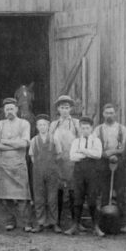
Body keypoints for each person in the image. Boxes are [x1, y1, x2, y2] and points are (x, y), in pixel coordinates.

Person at [0, 97, 33, 232]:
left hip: (19, 164)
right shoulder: (0, 124)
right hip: (3, 164)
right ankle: (11, 221)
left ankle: (26, 223)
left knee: (23, 196)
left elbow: (25, 143)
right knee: (6, 196)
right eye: (7, 109)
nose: (9, 111)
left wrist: (5, 142)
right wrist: (13, 144)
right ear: (4, 111)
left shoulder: (24, 123)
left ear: (17, 109)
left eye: (12, 108)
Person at [93, 104, 126, 227]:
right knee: (104, 192)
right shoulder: (98, 130)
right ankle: (104, 222)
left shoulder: (122, 129)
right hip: (103, 163)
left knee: (121, 193)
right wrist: (106, 155)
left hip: (119, 162)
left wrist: (114, 153)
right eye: (107, 113)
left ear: (115, 114)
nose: (109, 115)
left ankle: (122, 223)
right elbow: (95, 147)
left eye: (112, 112)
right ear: (103, 114)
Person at [66, 116, 104, 237]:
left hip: (92, 173)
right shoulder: (76, 141)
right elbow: (72, 156)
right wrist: (88, 153)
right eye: (83, 128)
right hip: (79, 173)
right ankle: (75, 226)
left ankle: (95, 227)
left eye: (87, 128)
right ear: (80, 129)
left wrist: (83, 151)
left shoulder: (96, 141)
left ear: (91, 128)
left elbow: (98, 154)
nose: (85, 130)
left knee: (92, 199)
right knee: (77, 199)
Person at [49, 95, 80, 233]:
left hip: (72, 161)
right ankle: (56, 222)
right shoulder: (53, 124)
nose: (64, 110)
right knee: (58, 192)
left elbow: (81, 141)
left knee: (74, 192)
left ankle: (76, 222)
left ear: (71, 109)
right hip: (58, 162)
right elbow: (49, 142)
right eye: (62, 107)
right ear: (58, 109)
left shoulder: (76, 123)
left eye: (67, 108)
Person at [29, 114, 61, 233]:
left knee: (52, 198)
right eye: (40, 125)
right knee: (39, 198)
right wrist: (39, 166)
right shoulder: (34, 140)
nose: (42, 127)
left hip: (52, 171)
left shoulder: (54, 139)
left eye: (45, 125)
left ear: (48, 126)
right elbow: (32, 156)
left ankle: (54, 223)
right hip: (38, 172)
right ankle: (40, 222)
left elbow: (59, 154)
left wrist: (51, 165)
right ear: (37, 127)